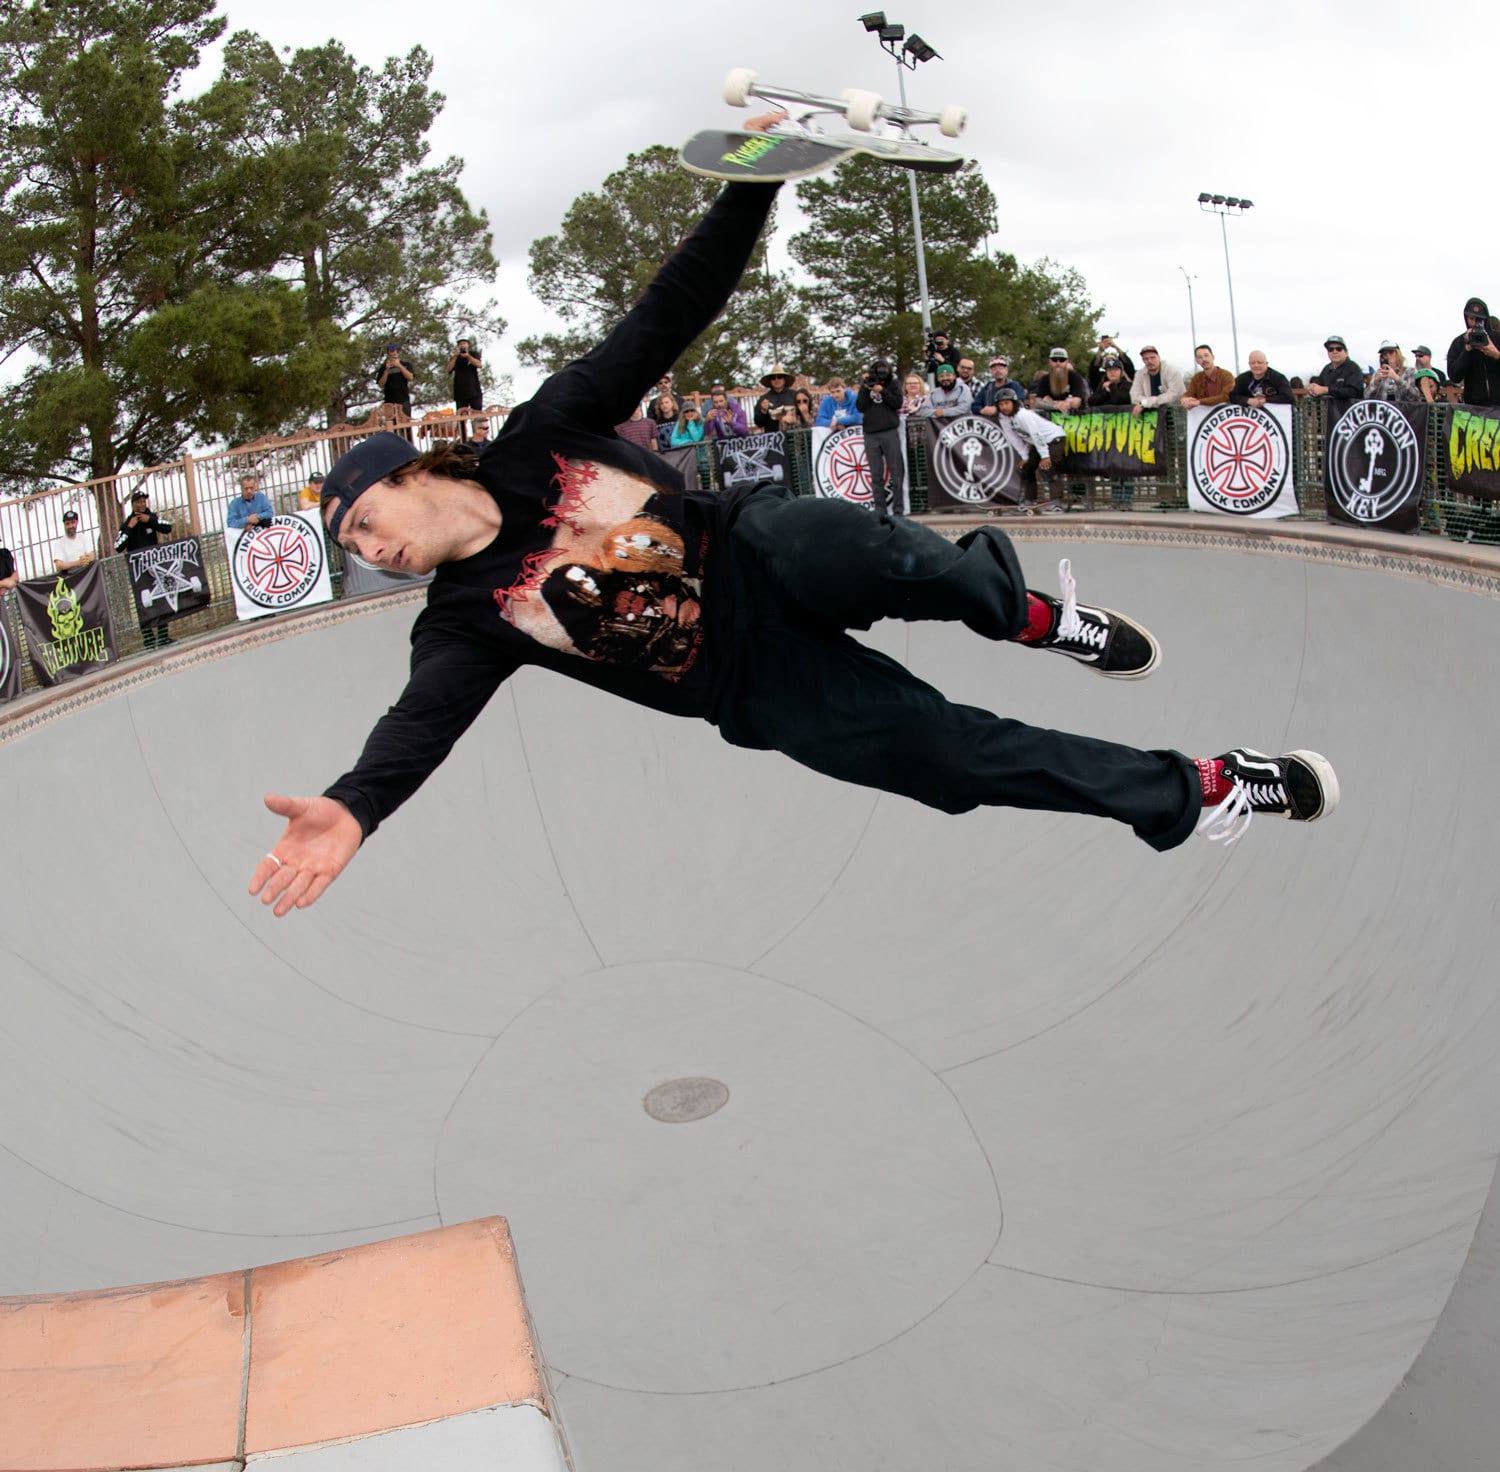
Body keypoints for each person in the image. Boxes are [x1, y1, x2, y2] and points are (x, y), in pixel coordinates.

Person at [247, 158, 1338, 924]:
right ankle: (1203, 784)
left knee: (891, 560)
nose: (366, 547)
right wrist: (353, 807)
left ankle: (1033, 614)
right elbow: (414, 731)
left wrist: (756, 180)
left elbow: (667, 312)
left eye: (363, 520)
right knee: (956, 761)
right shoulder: (464, 627)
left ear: (410, 472)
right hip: (754, 685)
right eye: (349, 544)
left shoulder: (544, 434)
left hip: (760, 549)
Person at [117, 486, 174, 649]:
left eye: (143, 501)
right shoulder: (127, 523)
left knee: (162, 599)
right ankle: (149, 640)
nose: (141, 504)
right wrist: (130, 527)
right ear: (133, 504)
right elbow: (118, 546)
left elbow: (167, 527)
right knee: (143, 604)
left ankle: (163, 637)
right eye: (138, 502)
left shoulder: (152, 517)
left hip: (156, 568)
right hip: (138, 572)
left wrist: (150, 521)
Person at [994, 391, 1067, 511]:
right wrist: (1025, 457)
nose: (1004, 407)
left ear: (1014, 403)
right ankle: (1030, 500)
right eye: (1001, 405)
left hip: (1054, 438)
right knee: (1026, 468)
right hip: (1038, 442)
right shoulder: (1004, 418)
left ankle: (1056, 502)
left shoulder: (1023, 415)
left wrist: (1045, 456)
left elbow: (1036, 434)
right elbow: (1013, 438)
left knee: (1048, 467)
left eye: (1007, 403)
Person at [857, 356, 906, 518]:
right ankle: (880, 510)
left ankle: (898, 510)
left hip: (889, 432)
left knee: (896, 472)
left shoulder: (893, 384)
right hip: (871, 434)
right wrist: (866, 388)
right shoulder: (867, 385)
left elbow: (897, 403)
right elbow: (860, 406)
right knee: (876, 474)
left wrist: (882, 391)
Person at [1445, 299, 1500, 407]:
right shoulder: (1459, 342)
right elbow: (1454, 376)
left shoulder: (1498, 338)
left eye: (1479, 319)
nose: (1475, 323)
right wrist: (1467, 350)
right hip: (1474, 408)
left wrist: (1496, 354)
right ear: (1466, 318)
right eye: (1471, 318)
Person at [1305, 336, 1364, 402]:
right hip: (1330, 411)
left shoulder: (1354, 368)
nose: (1334, 352)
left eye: (1339, 349)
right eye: (1331, 349)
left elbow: (1353, 392)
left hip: (1350, 410)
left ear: (1346, 352)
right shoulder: (1326, 369)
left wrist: (1326, 390)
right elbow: (1319, 386)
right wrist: (1312, 389)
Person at [1030, 349, 1087, 415]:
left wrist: (1051, 402)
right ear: (1049, 361)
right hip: (1051, 417)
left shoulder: (1075, 377)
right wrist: (1056, 405)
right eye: (1054, 360)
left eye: (1062, 360)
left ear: (1067, 361)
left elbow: (1076, 402)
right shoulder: (1045, 379)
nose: (1058, 363)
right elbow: (1036, 402)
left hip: (1074, 418)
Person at [1129, 345, 1184, 415]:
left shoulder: (1172, 371)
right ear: (1143, 360)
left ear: (1159, 357)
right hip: (1152, 416)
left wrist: (1146, 403)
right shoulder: (1139, 374)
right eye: (1146, 359)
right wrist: (1147, 403)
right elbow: (1134, 396)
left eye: (1152, 357)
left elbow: (1174, 395)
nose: (1149, 361)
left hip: (1176, 414)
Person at [1229, 351, 1295, 408]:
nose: (1256, 365)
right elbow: (1232, 396)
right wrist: (1248, 400)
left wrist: (1266, 400)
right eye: (1253, 363)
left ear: (1266, 363)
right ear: (1249, 364)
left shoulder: (1278, 378)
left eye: (1259, 362)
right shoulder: (1242, 378)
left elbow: (1289, 397)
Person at [446, 337, 484, 431]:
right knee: (461, 419)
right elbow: (448, 370)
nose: (462, 345)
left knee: (477, 416)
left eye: (464, 343)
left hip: (474, 391)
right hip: (460, 392)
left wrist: (467, 356)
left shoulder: (473, 354)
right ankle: (463, 438)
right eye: (460, 344)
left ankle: (478, 434)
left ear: (468, 345)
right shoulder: (455, 357)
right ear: (458, 346)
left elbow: (478, 365)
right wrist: (455, 356)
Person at [1181, 345, 1234, 410]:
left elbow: (1226, 396)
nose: (1204, 359)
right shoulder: (1196, 378)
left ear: (1213, 357)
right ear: (1197, 361)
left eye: (1206, 355)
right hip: (1205, 417)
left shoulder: (1226, 375)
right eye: (1200, 357)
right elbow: (1189, 393)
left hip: (1225, 415)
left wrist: (1199, 402)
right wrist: (1184, 399)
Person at [376, 344, 415, 420]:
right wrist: (387, 370)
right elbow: (381, 384)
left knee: (406, 425)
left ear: (398, 353)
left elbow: (410, 377)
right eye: (391, 351)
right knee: (391, 425)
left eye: (396, 351)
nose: (394, 353)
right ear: (388, 353)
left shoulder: (406, 365)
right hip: (389, 403)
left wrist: (399, 366)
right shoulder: (383, 368)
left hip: (404, 401)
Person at [753, 364, 794, 430]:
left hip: (792, 433)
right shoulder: (763, 399)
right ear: (770, 381)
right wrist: (763, 411)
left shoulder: (794, 395)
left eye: (779, 377)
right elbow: (759, 423)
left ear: (784, 379)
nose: (776, 380)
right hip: (773, 437)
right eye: (773, 378)